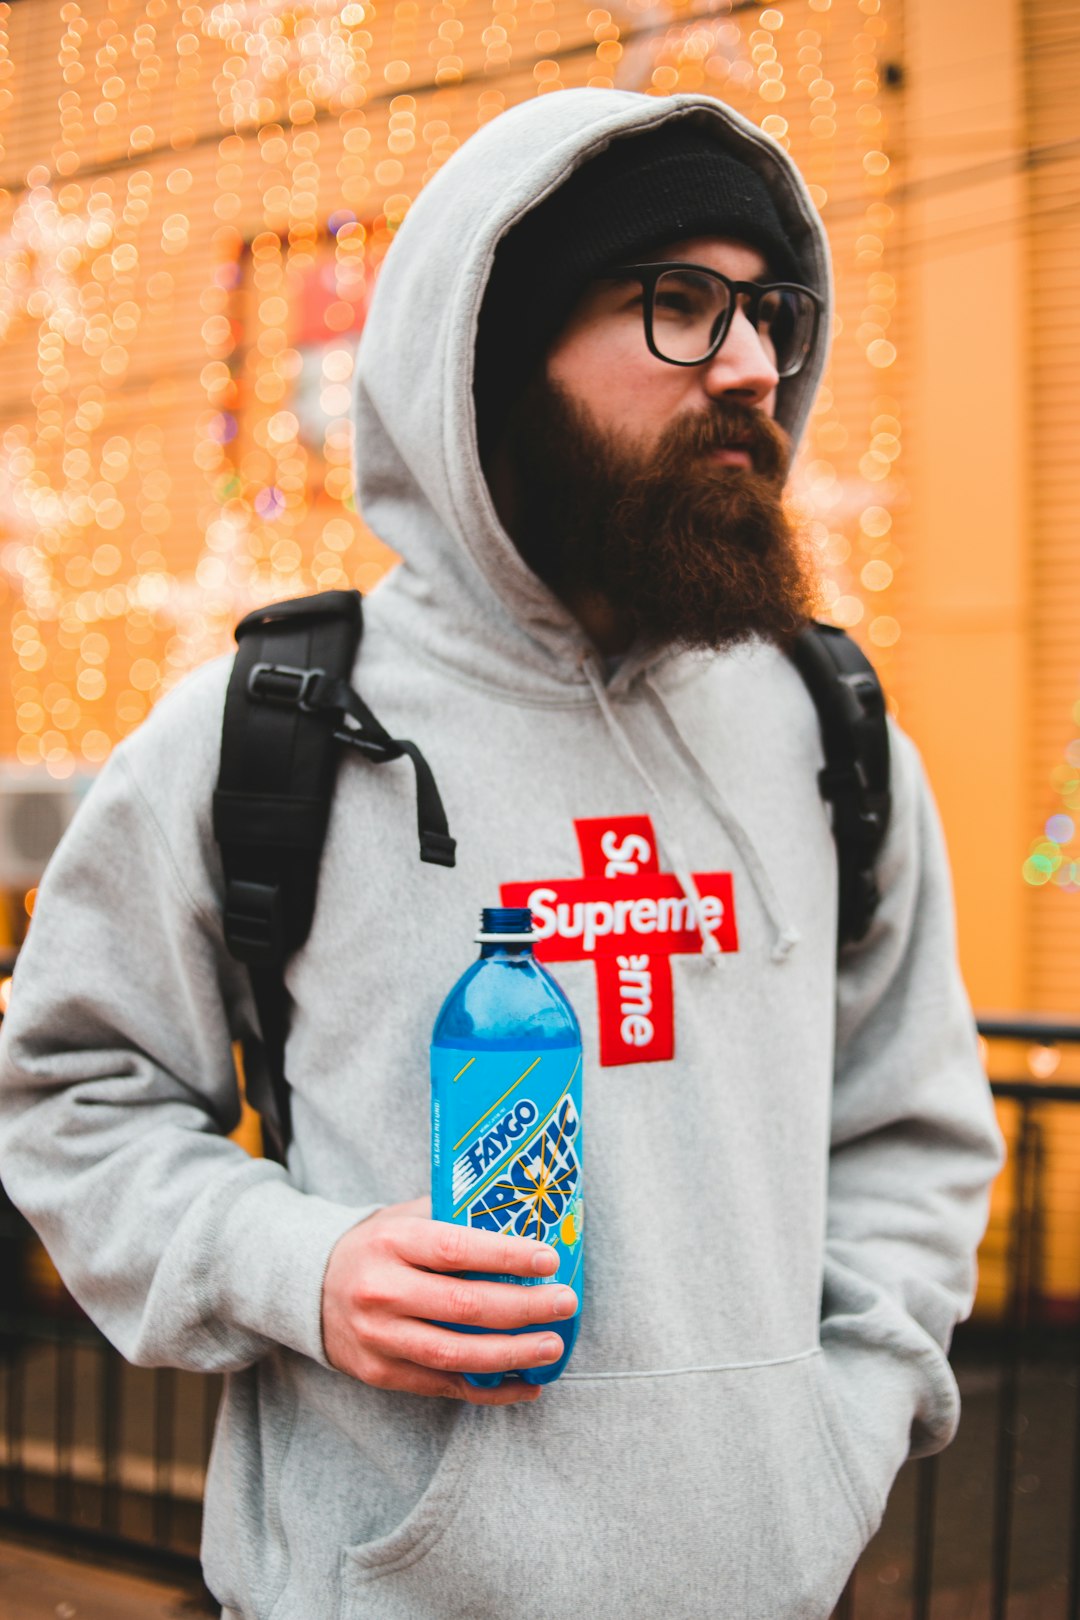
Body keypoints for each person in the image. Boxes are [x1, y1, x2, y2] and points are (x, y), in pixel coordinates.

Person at [0, 90, 1004, 1620]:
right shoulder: (267, 733)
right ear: (495, 359)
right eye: (679, 303)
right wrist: (298, 1268)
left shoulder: (833, 733)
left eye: (774, 315)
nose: (750, 367)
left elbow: (911, 1134)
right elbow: (70, 1095)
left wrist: (843, 1430)